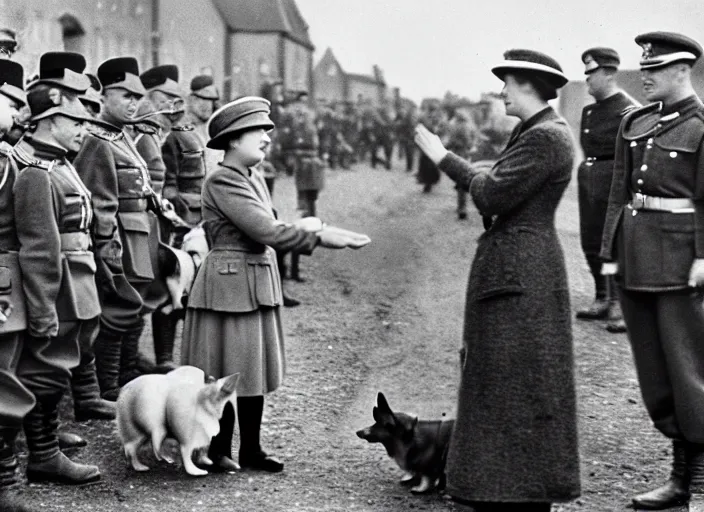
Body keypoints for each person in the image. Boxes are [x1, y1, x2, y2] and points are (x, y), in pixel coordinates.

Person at [415, 49, 580, 511]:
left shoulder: (546, 137)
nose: (501, 91)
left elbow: (490, 194)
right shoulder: (537, 132)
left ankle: (513, 490)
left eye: (506, 82)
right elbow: (500, 181)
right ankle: (505, 487)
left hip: (520, 272)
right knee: (509, 380)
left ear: (528, 84)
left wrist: (445, 157)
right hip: (519, 267)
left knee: (512, 380)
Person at [180, 96, 368, 474]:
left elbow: (270, 228)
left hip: (252, 281)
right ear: (233, 140)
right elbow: (265, 229)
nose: (267, 138)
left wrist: (313, 227)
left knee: (252, 370)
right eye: (258, 131)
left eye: (268, 131)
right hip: (229, 287)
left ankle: (251, 449)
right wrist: (319, 235)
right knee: (225, 370)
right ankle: (218, 449)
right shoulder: (223, 179)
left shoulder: (251, 177)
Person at [600, 32, 704, 511]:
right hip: (637, 259)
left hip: (684, 267)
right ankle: (679, 479)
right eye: (644, 67)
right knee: (655, 375)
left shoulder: (702, 126)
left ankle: (698, 485)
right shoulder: (635, 122)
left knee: (690, 374)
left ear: (683, 70)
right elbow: (619, 191)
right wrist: (609, 254)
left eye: (655, 69)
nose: (645, 76)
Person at [12, 51, 103, 486]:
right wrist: (44, 307)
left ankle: (45, 445)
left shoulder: (57, 163)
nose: (83, 129)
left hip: (75, 277)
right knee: (43, 368)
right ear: (50, 119)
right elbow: (39, 249)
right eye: (76, 121)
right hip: (58, 281)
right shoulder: (35, 171)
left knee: (58, 364)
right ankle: (42, 455)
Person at [73, 57, 155, 399]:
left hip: (135, 233)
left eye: (137, 98)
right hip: (117, 236)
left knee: (131, 306)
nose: (133, 104)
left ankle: (124, 372)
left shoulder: (120, 137)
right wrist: (106, 247)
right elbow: (100, 201)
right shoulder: (96, 140)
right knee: (115, 309)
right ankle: (107, 386)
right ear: (103, 97)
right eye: (125, 96)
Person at [575, 47, 637, 334]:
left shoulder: (630, 110)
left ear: (610, 73)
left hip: (614, 179)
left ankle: (618, 302)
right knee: (590, 241)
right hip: (589, 177)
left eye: (592, 73)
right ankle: (601, 295)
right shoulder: (589, 111)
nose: (587, 79)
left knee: (612, 243)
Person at [445, 107, 479, 220]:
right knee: (462, 181)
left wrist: (445, 147)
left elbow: (450, 141)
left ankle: (462, 209)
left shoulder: (455, 126)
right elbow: (471, 141)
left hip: (458, 154)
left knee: (461, 183)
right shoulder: (469, 126)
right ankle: (463, 207)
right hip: (466, 154)